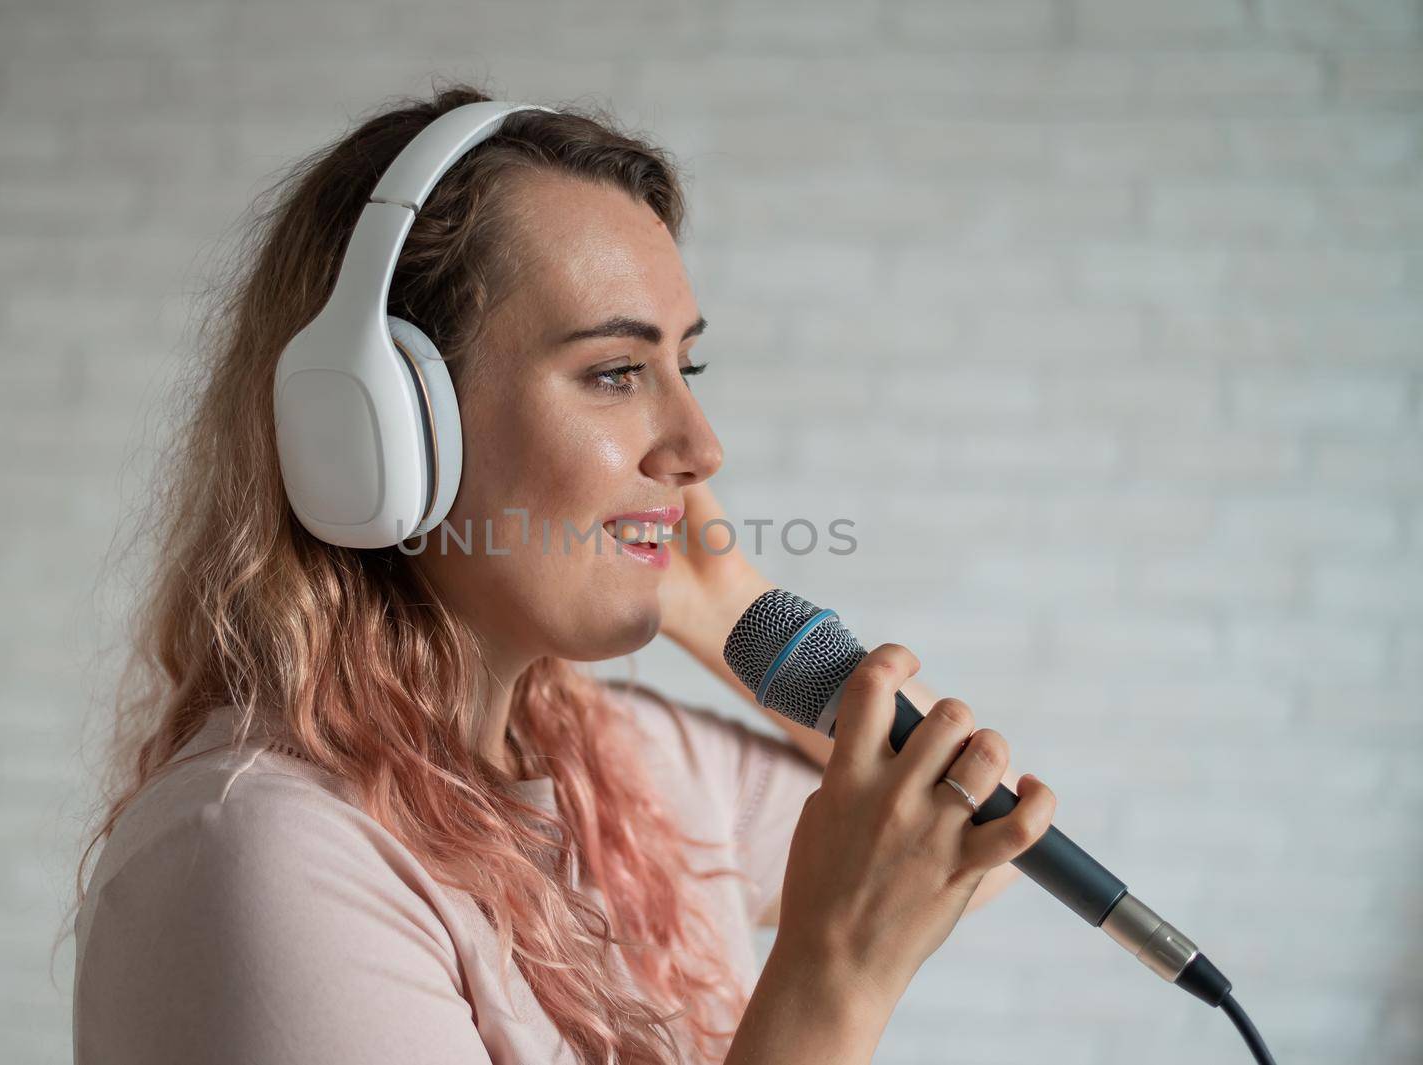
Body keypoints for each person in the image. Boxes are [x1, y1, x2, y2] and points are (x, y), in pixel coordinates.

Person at [71, 82, 1056, 1065]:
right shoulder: (262, 853)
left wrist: (729, 608)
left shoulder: (622, 766)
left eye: (687, 371)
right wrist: (833, 981)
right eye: (614, 374)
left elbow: (982, 829)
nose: (699, 446)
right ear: (383, 429)